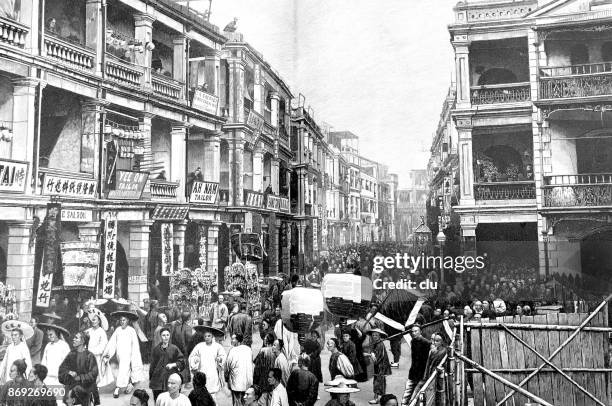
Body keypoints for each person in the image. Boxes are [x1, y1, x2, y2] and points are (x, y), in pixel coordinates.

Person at [103, 311, 145, 399]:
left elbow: (135, 345)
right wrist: (107, 354)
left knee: (125, 369)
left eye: (124, 320)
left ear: (128, 321)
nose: (122, 322)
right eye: (121, 320)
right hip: (120, 354)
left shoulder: (131, 330)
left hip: (129, 353)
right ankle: (129, 384)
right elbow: (112, 343)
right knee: (125, 369)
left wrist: (134, 354)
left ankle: (118, 387)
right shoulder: (118, 330)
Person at [58, 331, 98, 406]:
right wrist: (69, 372)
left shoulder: (90, 356)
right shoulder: (71, 354)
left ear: (82, 341)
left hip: (85, 388)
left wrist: (79, 378)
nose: (73, 339)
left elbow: (93, 374)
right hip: (71, 386)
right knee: (69, 396)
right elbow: (62, 368)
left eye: (76, 338)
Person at [189, 325, 226, 401]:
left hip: (213, 373)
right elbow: (192, 356)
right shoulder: (199, 346)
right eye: (205, 336)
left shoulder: (217, 346)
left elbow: (223, 356)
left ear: (212, 336)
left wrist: (220, 359)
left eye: (209, 336)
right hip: (202, 371)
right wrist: (195, 360)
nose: (207, 338)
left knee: (212, 394)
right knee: (202, 393)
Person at [150, 327, 185, 402]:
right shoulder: (156, 349)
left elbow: (182, 361)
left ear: (170, 336)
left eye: (167, 335)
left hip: (170, 379)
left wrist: (173, 364)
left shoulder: (174, 348)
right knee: (158, 399)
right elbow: (152, 366)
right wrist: (151, 378)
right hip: (158, 380)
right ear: (160, 336)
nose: (166, 337)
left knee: (170, 400)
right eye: (163, 335)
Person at [411, 333, 448, 402]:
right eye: (434, 340)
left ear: (442, 342)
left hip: (436, 376)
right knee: (419, 387)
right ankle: (411, 401)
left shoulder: (444, 351)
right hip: (429, 374)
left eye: (437, 341)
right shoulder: (432, 351)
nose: (434, 342)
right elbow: (428, 364)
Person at [401, 324, 431, 406]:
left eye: (415, 331)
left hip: (422, 372)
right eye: (412, 331)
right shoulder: (413, 341)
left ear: (420, 331)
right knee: (408, 391)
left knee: (417, 394)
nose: (413, 333)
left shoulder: (426, 343)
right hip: (413, 371)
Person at [85, 308, 112, 399]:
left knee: (96, 375)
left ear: (99, 321)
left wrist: (92, 351)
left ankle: (94, 391)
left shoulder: (101, 332)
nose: (93, 322)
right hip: (88, 356)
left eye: (95, 320)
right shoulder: (88, 331)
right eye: (92, 320)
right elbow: (85, 342)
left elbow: (103, 346)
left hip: (97, 357)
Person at [225, 333, 253, 406]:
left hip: (236, 383)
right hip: (247, 383)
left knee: (237, 403)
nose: (232, 340)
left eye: (233, 339)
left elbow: (227, 366)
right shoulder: (248, 349)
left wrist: (226, 377)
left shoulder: (233, 350)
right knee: (246, 402)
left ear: (238, 340)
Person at [365, 329, 391, 404]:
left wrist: (369, 355)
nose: (374, 336)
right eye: (373, 335)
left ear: (379, 336)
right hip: (379, 366)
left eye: (376, 335)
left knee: (378, 383)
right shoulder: (376, 343)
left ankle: (376, 399)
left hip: (380, 366)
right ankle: (381, 397)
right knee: (380, 382)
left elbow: (377, 358)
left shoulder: (380, 344)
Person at [253, 333, 276, 405]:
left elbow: (257, 367)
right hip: (273, 383)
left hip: (263, 382)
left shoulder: (263, 351)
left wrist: (255, 381)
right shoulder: (276, 351)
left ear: (266, 341)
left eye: (264, 339)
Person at [170, 311, 192, 385]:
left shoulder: (177, 327)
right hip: (185, 351)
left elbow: (173, 339)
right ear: (189, 318)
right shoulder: (188, 328)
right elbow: (189, 341)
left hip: (177, 350)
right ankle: (185, 382)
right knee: (185, 365)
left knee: (178, 365)